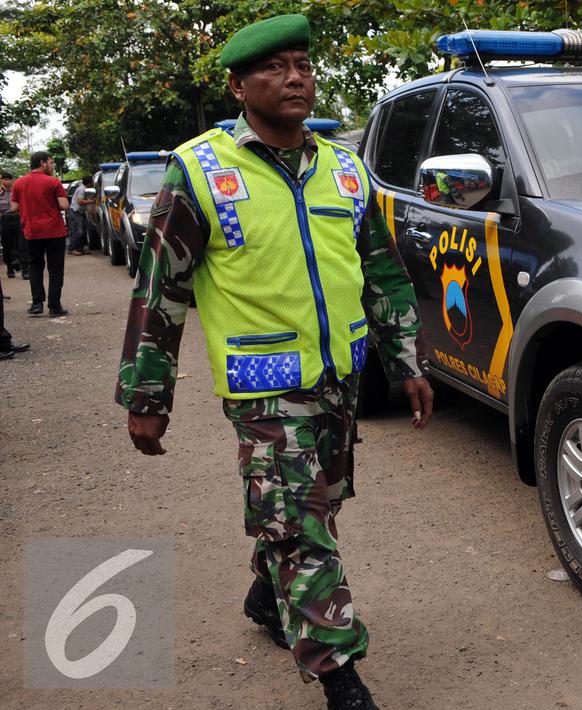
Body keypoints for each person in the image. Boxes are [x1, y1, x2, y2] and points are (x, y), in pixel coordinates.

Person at [115, 14, 433, 709]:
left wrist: (405, 359)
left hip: (339, 378)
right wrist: (147, 395)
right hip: (264, 392)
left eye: (303, 65)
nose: (295, 78)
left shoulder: (345, 169)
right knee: (301, 522)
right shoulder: (198, 169)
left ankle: (269, 594)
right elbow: (160, 289)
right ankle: (339, 676)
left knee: (315, 505)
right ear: (238, 85)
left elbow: (381, 270)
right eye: (275, 68)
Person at [10, 151, 69, 316]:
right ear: (43, 163)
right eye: (51, 162)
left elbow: (14, 207)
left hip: (32, 231)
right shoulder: (53, 181)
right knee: (55, 269)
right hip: (54, 231)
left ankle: (37, 304)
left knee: (35, 266)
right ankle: (54, 306)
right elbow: (64, 205)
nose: (52, 165)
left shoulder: (19, 183)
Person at [1, 171, 30, 279]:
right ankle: (10, 267)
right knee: (7, 244)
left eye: (9, 179)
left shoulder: (17, 190)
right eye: (4, 179)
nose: (6, 181)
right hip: (4, 219)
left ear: (12, 180)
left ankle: (25, 270)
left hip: (18, 217)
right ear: (1, 180)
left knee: (23, 244)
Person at [67, 174, 96, 255]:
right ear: (89, 183)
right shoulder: (82, 189)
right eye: (93, 181)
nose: (94, 183)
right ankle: (72, 249)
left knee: (83, 231)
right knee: (78, 231)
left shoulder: (85, 189)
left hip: (80, 211)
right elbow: (80, 201)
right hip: (76, 211)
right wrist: (91, 201)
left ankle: (80, 249)